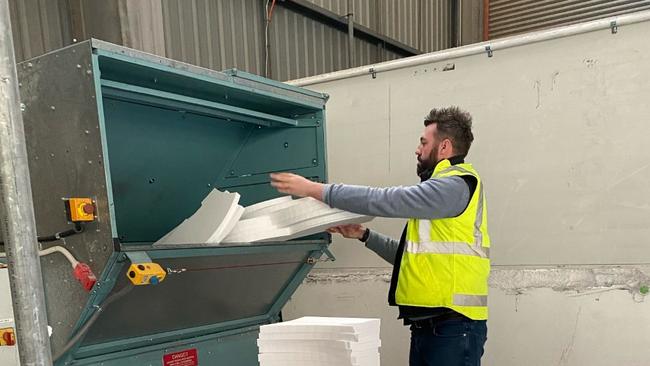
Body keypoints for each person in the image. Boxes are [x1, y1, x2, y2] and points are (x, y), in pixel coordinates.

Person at [270, 106, 490, 366]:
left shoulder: (454, 185)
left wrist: (314, 189)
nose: (417, 150)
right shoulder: (440, 193)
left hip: (452, 327)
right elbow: (408, 258)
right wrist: (364, 235)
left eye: (423, 142)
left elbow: (383, 200)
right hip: (432, 327)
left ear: (444, 147)